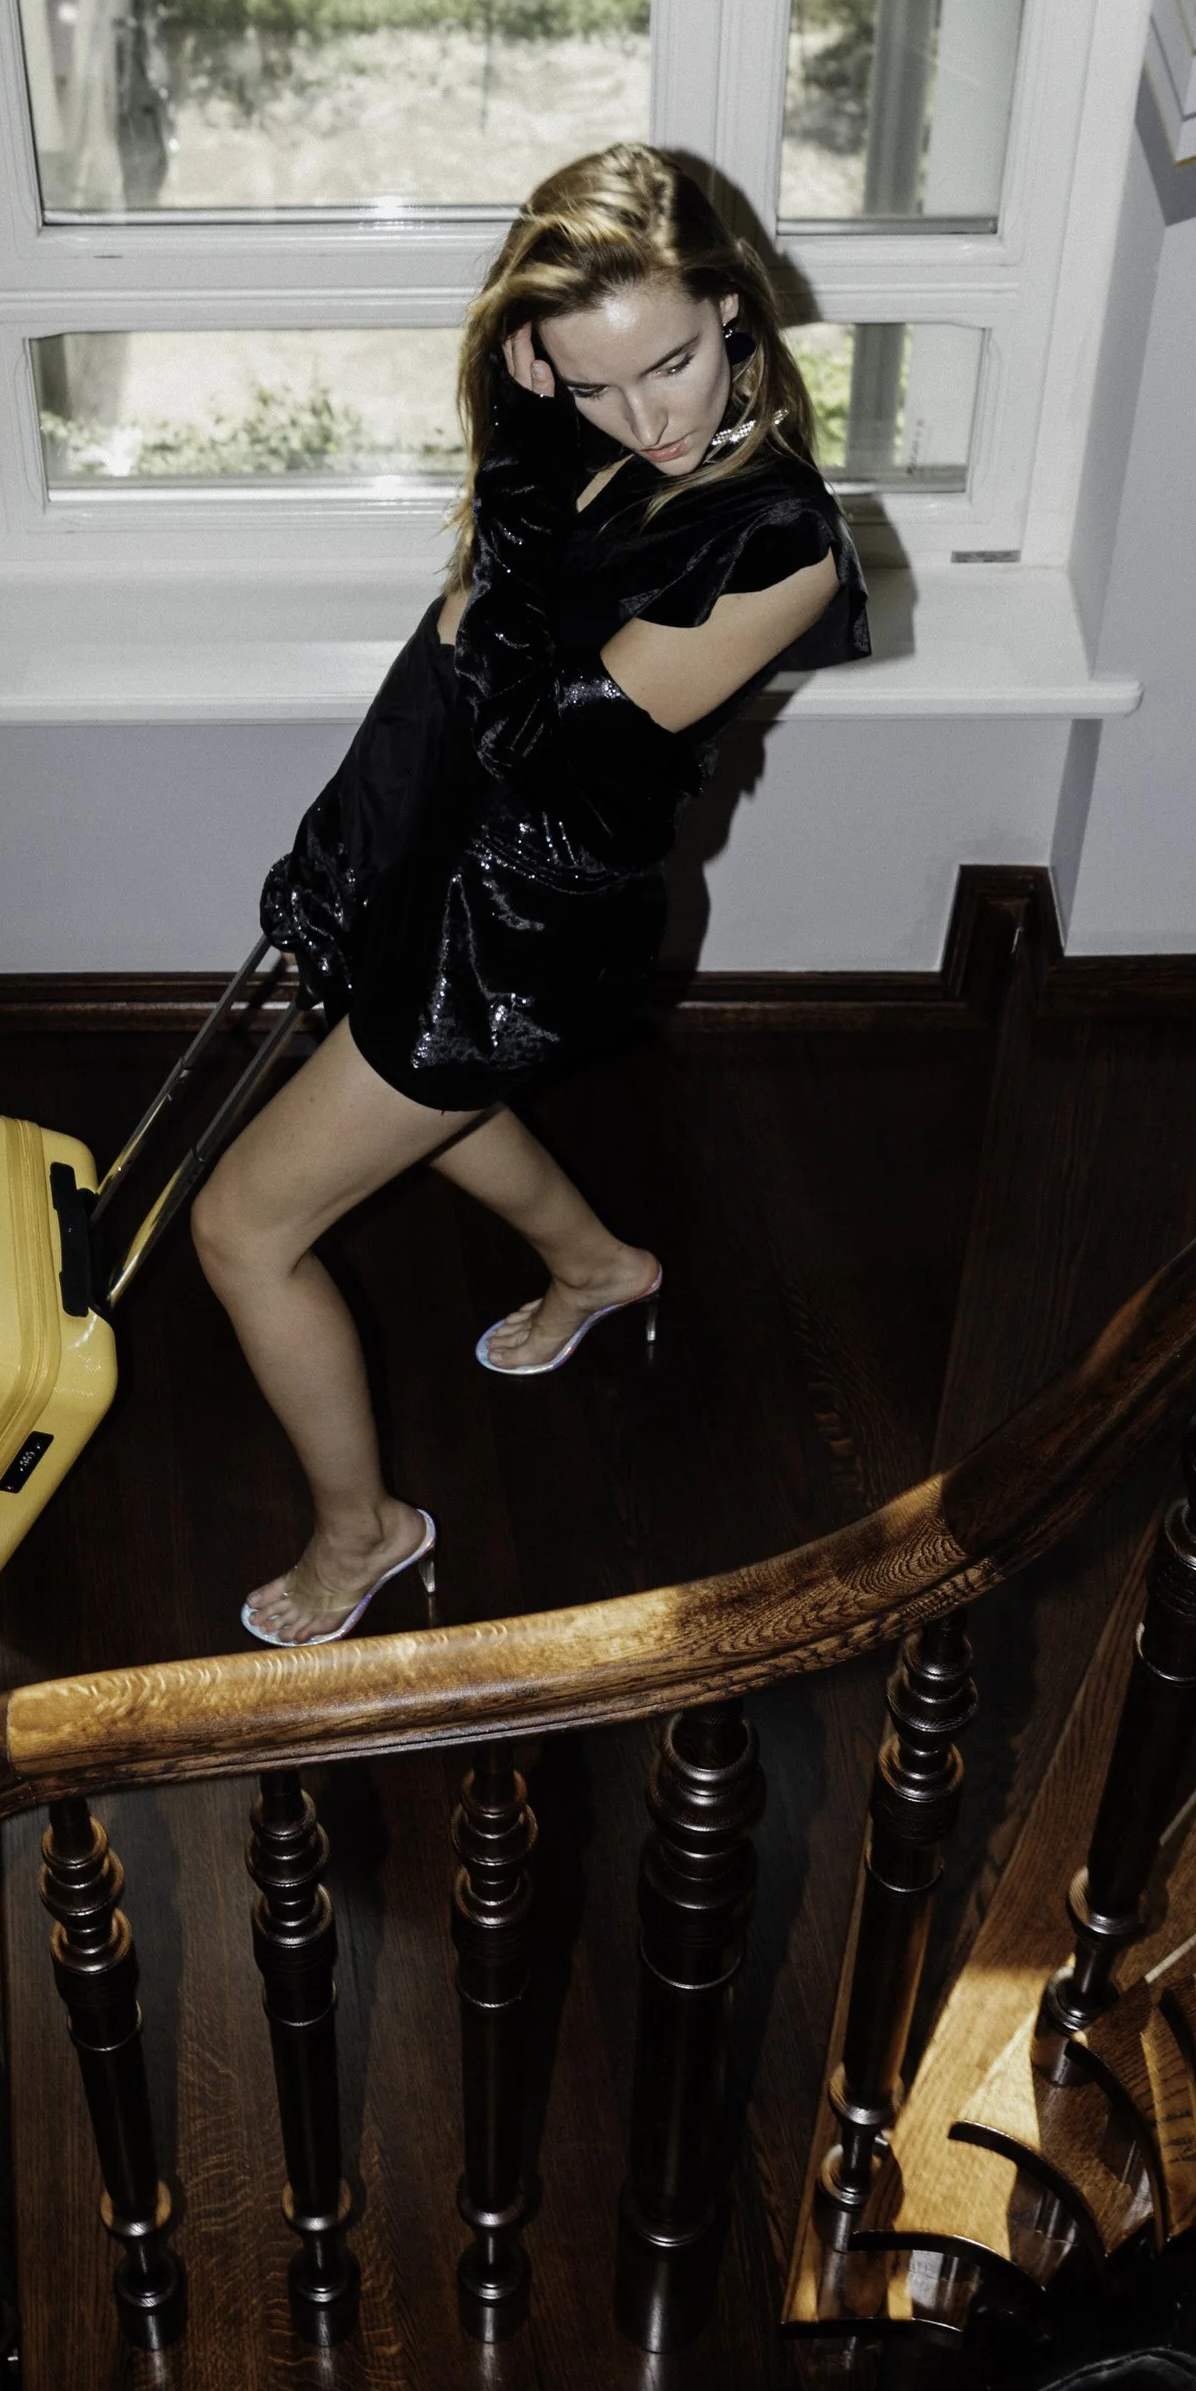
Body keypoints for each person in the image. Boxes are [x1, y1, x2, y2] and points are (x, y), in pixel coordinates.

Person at [190, 144, 871, 1646]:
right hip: (455, 872)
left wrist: (517, 444)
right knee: (431, 1104)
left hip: (529, 930)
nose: (653, 417)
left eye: (678, 362)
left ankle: (363, 1534)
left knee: (240, 1229)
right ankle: (598, 1264)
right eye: (598, 383)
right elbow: (446, 654)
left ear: (733, 307)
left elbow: (541, 724)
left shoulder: (785, 544)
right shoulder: (594, 440)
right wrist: (345, 849)